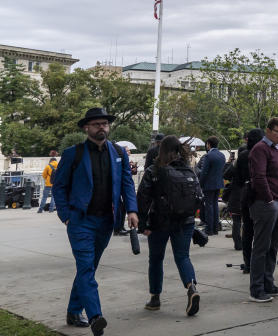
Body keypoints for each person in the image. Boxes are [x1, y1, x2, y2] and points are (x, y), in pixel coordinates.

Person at [52, 107, 138, 336]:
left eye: (105, 123)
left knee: (88, 269)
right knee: (86, 268)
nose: (102, 127)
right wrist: (66, 216)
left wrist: (132, 209)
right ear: (86, 127)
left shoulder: (119, 152)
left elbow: (127, 183)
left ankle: (73, 311)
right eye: (97, 124)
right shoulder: (74, 153)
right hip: (80, 221)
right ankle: (95, 316)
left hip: (106, 221)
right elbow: (58, 185)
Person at [136, 135, 203, 316]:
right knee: (183, 256)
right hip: (185, 221)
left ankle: (155, 298)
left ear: (161, 150)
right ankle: (191, 287)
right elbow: (198, 196)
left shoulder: (154, 170)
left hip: (159, 221)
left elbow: (142, 198)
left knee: (156, 259)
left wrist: (142, 223)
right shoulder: (189, 170)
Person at [247, 117, 278, 302]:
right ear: (268, 130)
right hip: (266, 204)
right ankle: (257, 289)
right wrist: (270, 199)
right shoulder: (260, 149)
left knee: (273, 246)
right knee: (261, 247)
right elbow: (259, 177)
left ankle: (268, 283)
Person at [237, 128, 264, 271]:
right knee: (261, 231)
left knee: (247, 230)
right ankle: (259, 262)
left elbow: (238, 178)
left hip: (246, 194)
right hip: (260, 195)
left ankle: (248, 262)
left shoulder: (243, 156)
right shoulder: (263, 154)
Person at [197, 136, 226, 236]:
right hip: (218, 184)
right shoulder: (222, 155)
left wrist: (200, 184)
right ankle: (215, 228)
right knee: (214, 205)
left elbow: (204, 172)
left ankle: (209, 229)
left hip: (209, 184)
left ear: (209, 144)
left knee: (209, 206)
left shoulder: (208, 156)